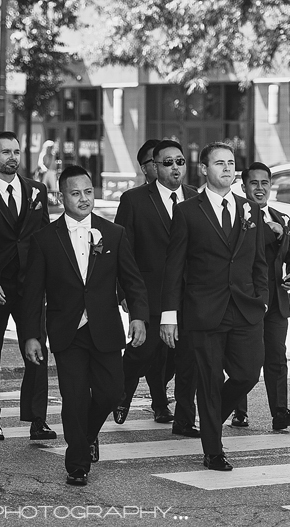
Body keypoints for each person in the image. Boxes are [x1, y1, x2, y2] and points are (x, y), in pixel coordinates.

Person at [23, 165, 149, 486]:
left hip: (105, 328)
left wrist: (138, 316)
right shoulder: (44, 240)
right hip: (67, 332)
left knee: (112, 392)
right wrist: (31, 337)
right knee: (75, 398)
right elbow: (33, 295)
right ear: (61, 196)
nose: (83, 199)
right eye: (75, 193)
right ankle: (77, 463)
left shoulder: (114, 234)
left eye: (88, 192)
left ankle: (89, 434)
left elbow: (133, 281)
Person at [160, 142, 267, 472]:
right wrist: (169, 316)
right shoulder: (188, 211)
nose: (227, 169)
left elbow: (259, 262)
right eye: (219, 163)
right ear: (204, 169)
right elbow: (174, 267)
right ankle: (213, 450)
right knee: (207, 380)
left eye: (231, 163)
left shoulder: (250, 209)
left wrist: (261, 300)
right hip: (204, 310)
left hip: (245, 308)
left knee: (248, 373)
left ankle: (209, 419)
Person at [113, 140, 199, 436]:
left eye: (180, 162)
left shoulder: (194, 197)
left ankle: (183, 417)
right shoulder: (134, 200)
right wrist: (123, 293)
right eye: (167, 163)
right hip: (147, 293)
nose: (175, 168)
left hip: (186, 295)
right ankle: (121, 392)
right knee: (143, 351)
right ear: (154, 167)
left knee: (182, 356)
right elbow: (122, 250)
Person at [0, 131, 56, 442]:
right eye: (5, 152)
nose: (12, 157)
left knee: (37, 350)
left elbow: (45, 237)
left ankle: (37, 420)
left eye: (16, 151)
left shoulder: (36, 190)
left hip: (30, 287)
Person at [232, 162, 290, 430]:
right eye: (254, 183)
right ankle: (239, 411)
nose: (260, 188)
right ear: (244, 187)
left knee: (277, 357)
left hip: (276, 302)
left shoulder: (281, 218)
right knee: (245, 359)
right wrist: (269, 232)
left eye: (265, 183)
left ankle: (280, 413)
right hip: (247, 300)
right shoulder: (237, 216)